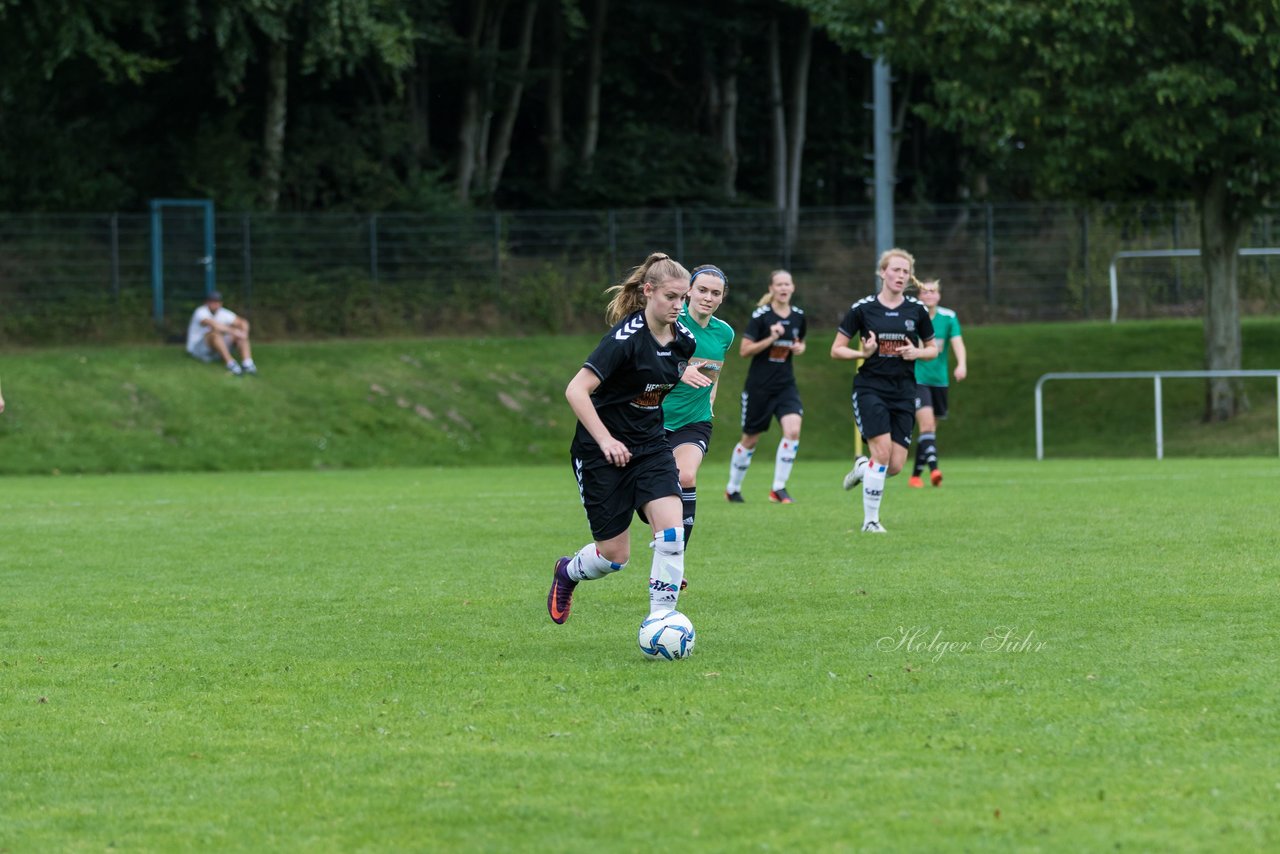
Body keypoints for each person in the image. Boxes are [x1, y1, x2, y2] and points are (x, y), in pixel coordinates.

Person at [547, 252, 707, 626]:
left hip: (650, 446)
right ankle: (567, 572)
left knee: (672, 533)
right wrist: (605, 441)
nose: (678, 306)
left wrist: (681, 375)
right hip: (601, 452)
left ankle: (661, 621)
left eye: (683, 298)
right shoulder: (624, 340)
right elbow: (576, 390)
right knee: (612, 557)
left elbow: (660, 373)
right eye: (671, 297)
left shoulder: (683, 339)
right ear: (648, 291)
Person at [832, 249, 938, 533]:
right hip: (870, 388)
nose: (901, 276)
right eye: (896, 270)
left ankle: (862, 468)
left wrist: (916, 351)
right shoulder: (863, 309)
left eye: (905, 272)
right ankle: (871, 521)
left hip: (904, 391)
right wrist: (862, 352)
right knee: (882, 453)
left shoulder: (916, 310)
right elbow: (836, 349)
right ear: (882, 273)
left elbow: (933, 349)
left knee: (895, 466)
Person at [662, 265, 735, 547]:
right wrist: (680, 370)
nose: (708, 297)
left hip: (694, 421)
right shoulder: (671, 323)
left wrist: (711, 398)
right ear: (689, 291)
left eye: (715, 293)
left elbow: (714, 369)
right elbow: (646, 363)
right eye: (702, 290)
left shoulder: (724, 333)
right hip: (652, 419)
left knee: (687, 475)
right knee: (647, 495)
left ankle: (676, 557)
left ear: (721, 298)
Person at [724, 270, 807, 504]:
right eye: (778, 284)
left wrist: (800, 347)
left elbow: (799, 341)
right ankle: (732, 488)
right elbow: (744, 351)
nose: (783, 288)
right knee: (750, 439)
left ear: (793, 288)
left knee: (793, 431)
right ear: (771, 289)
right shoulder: (761, 316)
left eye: (787, 284)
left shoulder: (799, 316)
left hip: (785, 385)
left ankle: (778, 488)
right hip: (759, 387)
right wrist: (770, 339)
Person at [908, 279, 967, 487]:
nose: (929, 295)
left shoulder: (949, 317)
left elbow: (957, 342)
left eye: (933, 291)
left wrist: (961, 364)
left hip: (939, 380)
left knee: (930, 430)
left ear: (939, 295)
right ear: (919, 296)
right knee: (926, 425)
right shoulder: (913, 316)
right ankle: (935, 470)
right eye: (925, 292)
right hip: (917, 378)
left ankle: (915, 476)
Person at [186, 291, 257, 375]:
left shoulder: (223, 312)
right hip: (198, 349)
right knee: (215, 334)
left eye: (217, 302)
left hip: (216, 348)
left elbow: (243, 322)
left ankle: (247, 363)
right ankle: (231, 364)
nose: (215, 304)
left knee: (240, 333)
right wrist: (234, 331)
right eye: (212, 302)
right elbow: (214, 325)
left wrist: (244, 333)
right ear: (207, 302)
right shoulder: (201, 311)